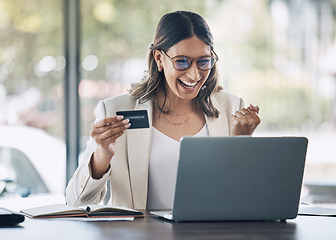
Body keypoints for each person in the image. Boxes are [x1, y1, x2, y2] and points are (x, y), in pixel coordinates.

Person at [66, 10, 261, 210]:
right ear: (159, 58)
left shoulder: (231, 109)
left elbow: (246, 201)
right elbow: (76, 202)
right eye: (182, 61)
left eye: (203, 61)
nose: (194, 74)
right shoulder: (116, 110)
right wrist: (102, 155)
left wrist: (241, 144)